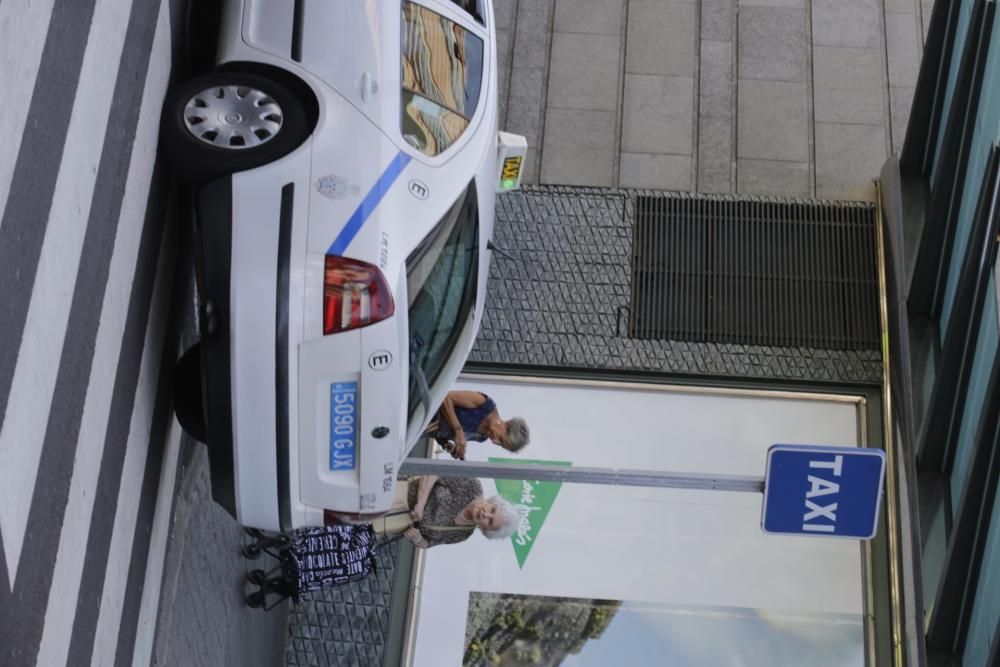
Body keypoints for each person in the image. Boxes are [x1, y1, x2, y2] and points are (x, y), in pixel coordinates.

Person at [395, 475, 519, 549]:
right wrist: (420, 504)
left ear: (486, 529)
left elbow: (427, 544)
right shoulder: (472, 486)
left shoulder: (463, 534)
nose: (485, 514)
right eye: (492, 509)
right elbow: (433, 471)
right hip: (397, 492)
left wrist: (417, 538)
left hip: (394, 523)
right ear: (493, 502)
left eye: (490, 521)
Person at [425, 390, 530, 460]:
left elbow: (443, 432)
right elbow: (446, 397)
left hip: (419, 430)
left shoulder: (481, 437)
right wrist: (458, 431)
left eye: (500, 444)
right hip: (420, 408)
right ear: (507, 424)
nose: (494, 442)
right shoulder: (484, 404)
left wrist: (445, 444)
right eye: (501, 439)